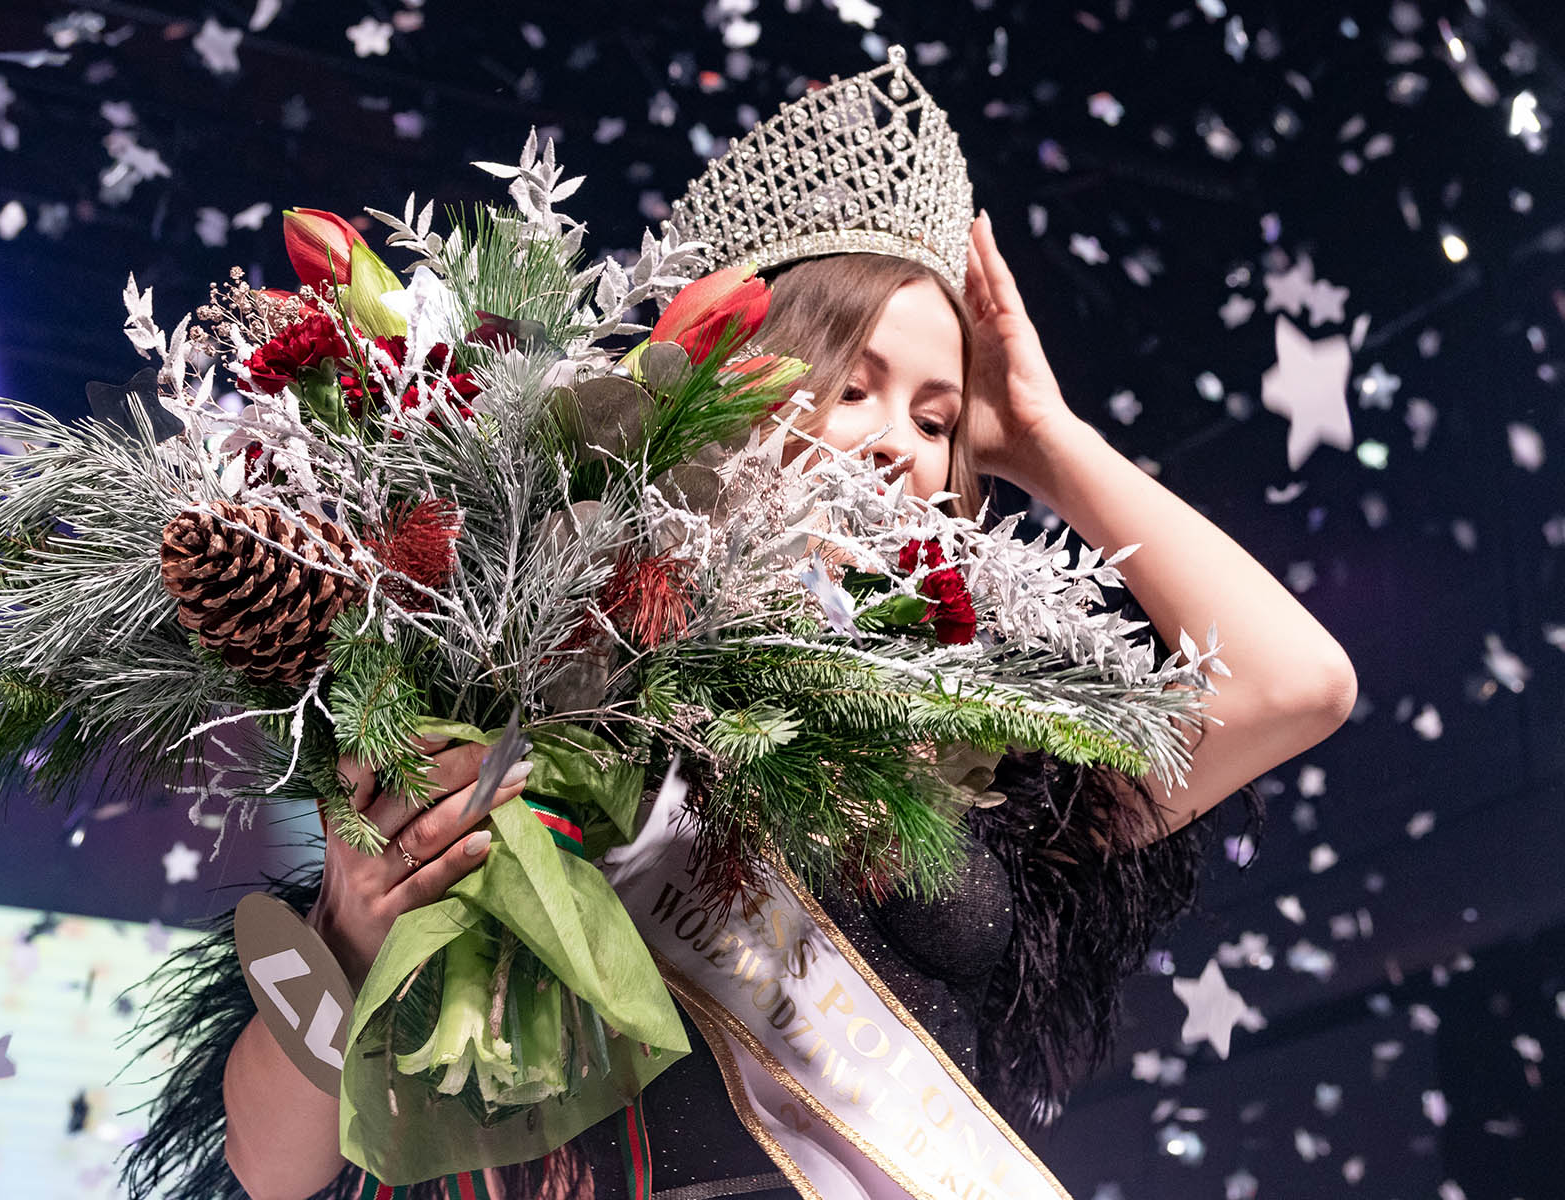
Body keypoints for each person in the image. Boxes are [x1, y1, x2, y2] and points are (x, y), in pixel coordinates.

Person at [123, 49, 1357, 1200]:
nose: (900, 443)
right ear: (729, 393)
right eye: (855, 386)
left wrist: (1043, 433)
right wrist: (348, 936)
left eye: (939, 420)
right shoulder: (559, 675)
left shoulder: (974, 745)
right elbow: (271, 1168)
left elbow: (1297, 684)